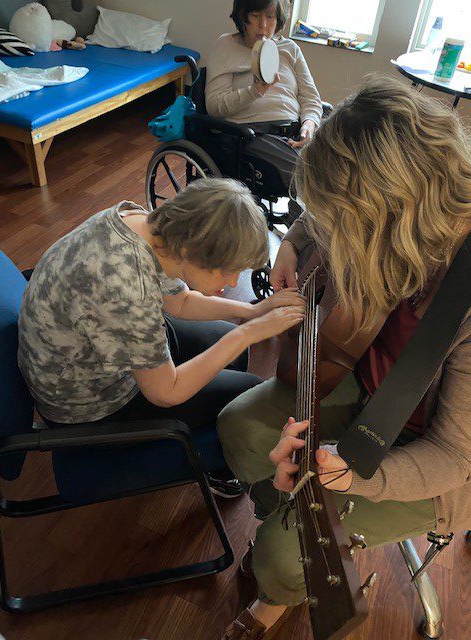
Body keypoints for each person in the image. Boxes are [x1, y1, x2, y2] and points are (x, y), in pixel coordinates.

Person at [217, 77, 471, 638]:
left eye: (348, 225)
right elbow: (328, 214)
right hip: (364, 381)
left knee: (286, 556)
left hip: (432, 458)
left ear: (395, 216)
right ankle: (278, 512)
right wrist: (291, 242)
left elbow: (455, 456)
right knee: (238, 427)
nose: (337, 236)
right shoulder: (402, 215)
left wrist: (351, 477)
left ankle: (280, 585)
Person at [18, 178, 305, 497]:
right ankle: (218, 464)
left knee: (225, 339)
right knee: (250, 393)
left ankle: (213, 439)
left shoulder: (141, 224)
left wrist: (252, 312)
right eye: (226, 270)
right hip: (86, 405)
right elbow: (165, 392)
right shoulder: (129, 290)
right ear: (188, 251)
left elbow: (178, 300)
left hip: (83, 351)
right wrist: (247, 333)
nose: (234, 280)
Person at [206, 0, 323, 218]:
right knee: (314, 180)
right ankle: (303, 238)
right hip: (254, 134)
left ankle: (305, 231)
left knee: (345, 164)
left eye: (270, 17)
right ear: (242, 17)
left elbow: (311, 97)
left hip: (297, 130)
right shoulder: (225, 46)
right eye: (255, 16)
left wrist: (309, 123)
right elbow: (215, 106)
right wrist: (256, 90)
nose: (263, 25)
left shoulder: (290, 49)